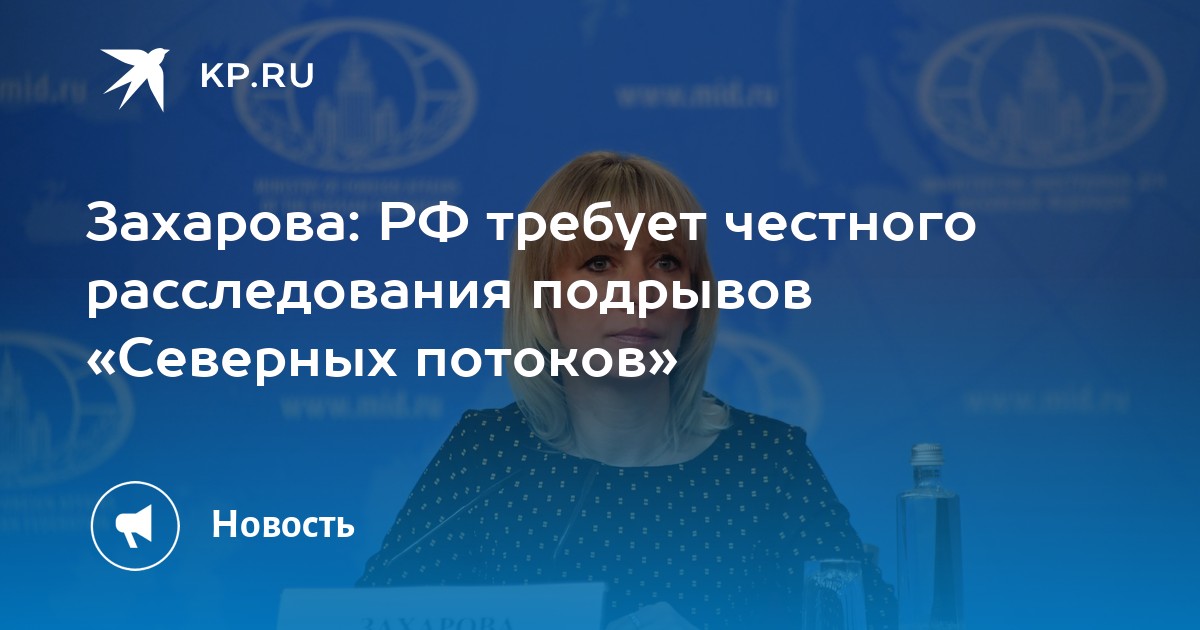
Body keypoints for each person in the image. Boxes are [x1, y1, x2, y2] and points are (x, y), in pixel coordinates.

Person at [358, 152, 897, 629]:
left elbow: (869, 620)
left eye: (665, 262)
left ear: (692, 303)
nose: (638, 289)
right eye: (600, 263)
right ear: (543, 300)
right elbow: (372, 616)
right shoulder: (488, 454)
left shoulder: (767, 460)